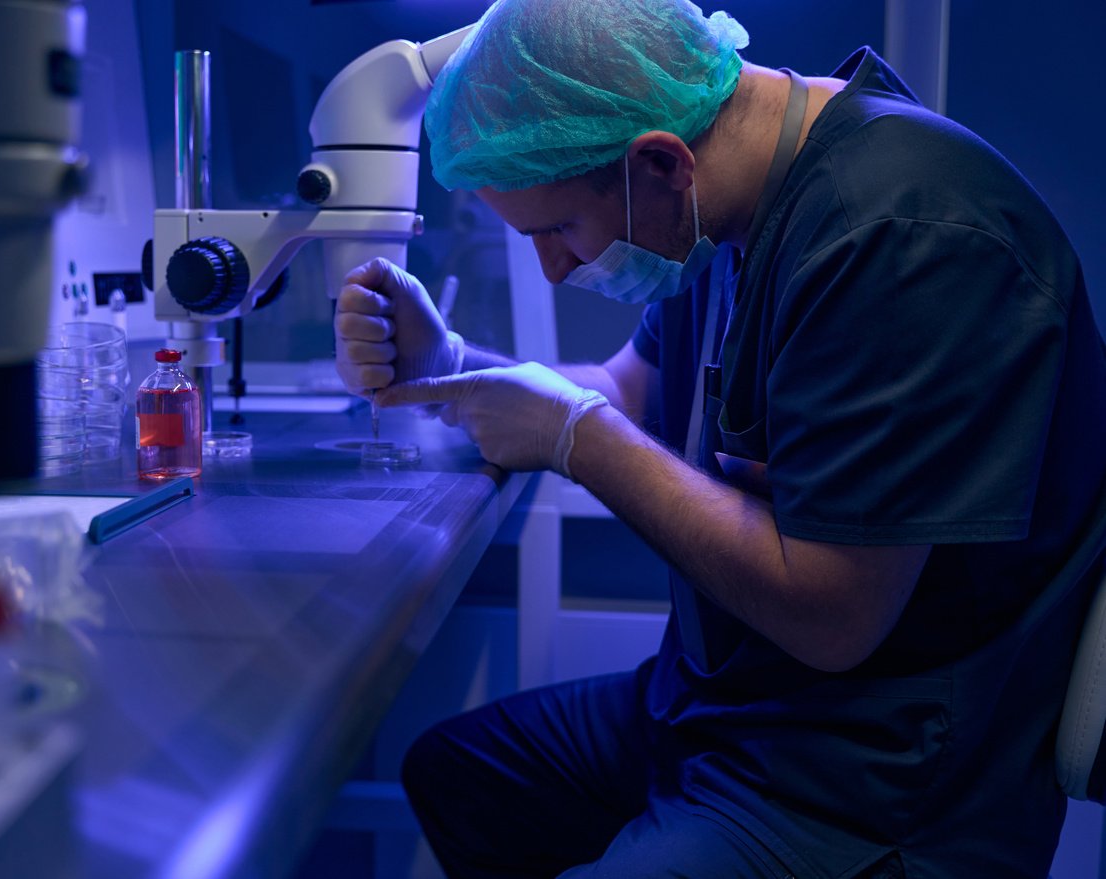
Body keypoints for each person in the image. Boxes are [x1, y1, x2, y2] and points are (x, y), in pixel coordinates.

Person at [333, 0, 1106, 875]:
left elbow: (833, 616)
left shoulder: (900, 237)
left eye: (557, 231)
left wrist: (573, 440)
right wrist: (454, 362)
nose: (555, 268)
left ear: (658, 162)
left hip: (867, 777)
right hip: (726, 709)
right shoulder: (715, 210)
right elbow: (618, 394)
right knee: (462, 774)